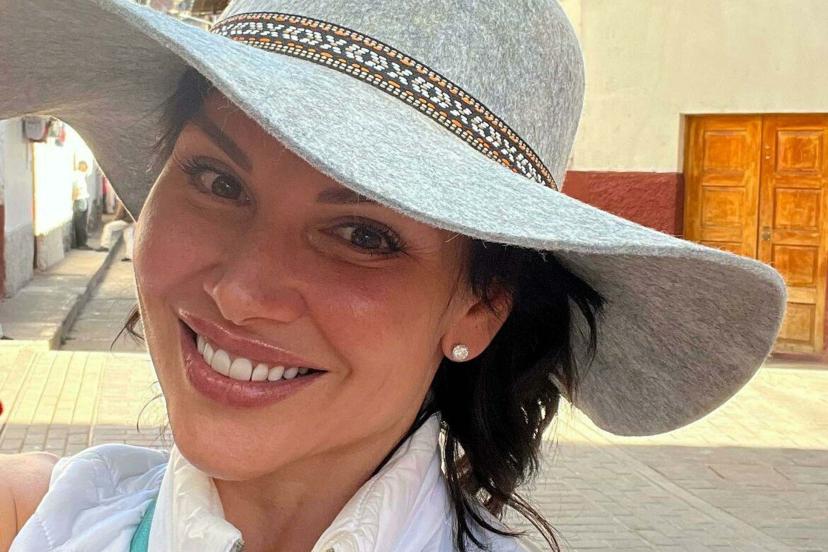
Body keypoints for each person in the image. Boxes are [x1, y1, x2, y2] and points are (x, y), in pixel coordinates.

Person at [0, 1, 785, 551]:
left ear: (479, 308)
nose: (240, 293)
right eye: (217, 181)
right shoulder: (48, 521)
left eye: (362, 235)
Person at [71, 159, 92, 250]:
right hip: (80, 200)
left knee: (80, 223)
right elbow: (76, 188)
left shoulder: (79, 175)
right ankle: (81, 244)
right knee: (81, 223)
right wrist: (74, 197)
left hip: (81, 200)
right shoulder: (78, 175)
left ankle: (80, 243)